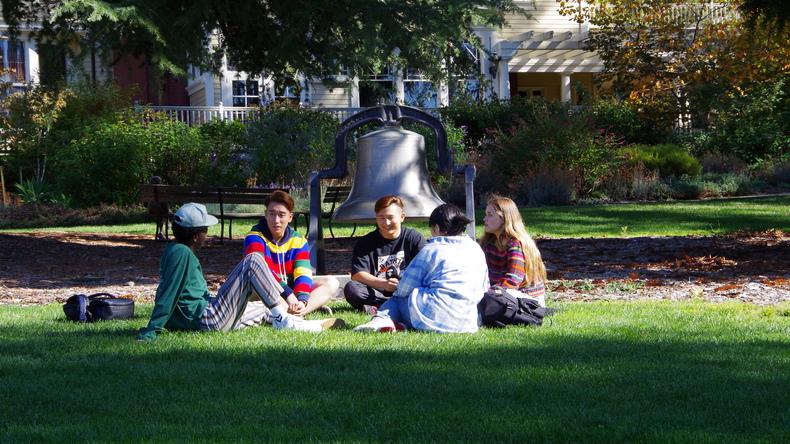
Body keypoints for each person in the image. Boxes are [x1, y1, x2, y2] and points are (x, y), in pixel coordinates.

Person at [137, 203, 344, 340]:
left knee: (264, 310)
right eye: (205, 231)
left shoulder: (174, 249)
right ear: (195, 236)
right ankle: (285, 321)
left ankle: (302, 324)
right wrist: (152, 329)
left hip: (206, 313)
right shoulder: (181, 253)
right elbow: (168, 291)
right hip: (207, 320)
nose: (206, 236)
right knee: (253, 259)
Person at [353, 204, 489, 333]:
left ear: (436, 227)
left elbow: (404, 288)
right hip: (468, 319)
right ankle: (400, 324)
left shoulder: (431, 249)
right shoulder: (475, 247)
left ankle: (380, 320)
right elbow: (484, 287)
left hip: (433, 316)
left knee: (398, 300)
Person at [244, 190, 339, 316]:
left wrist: (302, 299)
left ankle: (298, 310)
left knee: (331, 282)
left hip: (289, 290)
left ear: (290, 217)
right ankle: (297, 313)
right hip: (262, 288)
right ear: (265, 214)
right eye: (272, 214)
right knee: (266, 288)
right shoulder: (254, 237)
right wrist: (289, 295)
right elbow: (263, 273)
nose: (276, 220)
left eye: (281, 215)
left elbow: (303, 272)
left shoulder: (298, 240)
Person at [342, 195, 427, 314]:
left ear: (402, 217)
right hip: (378, 291)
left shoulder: (414, 238)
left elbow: (427, 268)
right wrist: (384, 284)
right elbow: (357, 275)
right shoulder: (365, 242)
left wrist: (405, 285)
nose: (386, 223)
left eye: (391, 217)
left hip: (407, 290)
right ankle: (392, 305)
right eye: (381, 218)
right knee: (352, 288)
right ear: (376, 218)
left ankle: (380, 307)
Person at [479, 195, 548, 308]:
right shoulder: (489, 244)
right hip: (503, 294)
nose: (484, 219)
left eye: (490, 215)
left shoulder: (515, 244)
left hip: (526, 300)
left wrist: (489, 293)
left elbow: (513, 280)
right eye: (486, 214)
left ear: (503, 218)